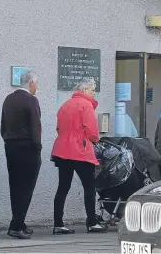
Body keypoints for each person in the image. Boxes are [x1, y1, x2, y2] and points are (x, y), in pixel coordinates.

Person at [51, 78, 106, 234]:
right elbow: (92, 131)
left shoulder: (65, 104)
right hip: (80, 149)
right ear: (84, 90)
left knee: (63, 187)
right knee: (89, 186)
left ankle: (58, 223)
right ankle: (92, 222)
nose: (94, 93)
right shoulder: (86, 104)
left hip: (62, 149)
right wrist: (95, 139)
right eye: (92, 89)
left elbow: (58, 128)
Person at [1, 71, 42, 239]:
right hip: (27, 147)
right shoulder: (31, 100)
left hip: (11, 146)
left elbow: (3, 125)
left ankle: (17, 221)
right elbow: (35, 127)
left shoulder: (8, 99)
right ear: (31, 83)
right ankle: (17, 226)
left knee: (16, 185)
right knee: (26, 187)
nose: (37, 87)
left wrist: (7, 140)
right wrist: (37, 147)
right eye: (36, 84)